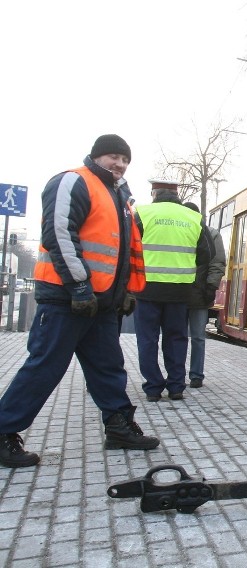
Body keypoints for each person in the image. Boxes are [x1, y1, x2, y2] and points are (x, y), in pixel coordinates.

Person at [0, 134, 159, 468]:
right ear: (97, 156)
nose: (120, 164)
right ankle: (3, 431)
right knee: (45, 367)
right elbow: (58, 234)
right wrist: (80, 287)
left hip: (100, 304)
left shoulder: (121, 197)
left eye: (125, 160)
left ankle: (119, 426)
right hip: (66, 299)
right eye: (114, 157)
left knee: (108, 366)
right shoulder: (73, 181)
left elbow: (122, 252)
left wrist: (125, 292)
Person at [133, 181, 209, 402]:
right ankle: (176, 386)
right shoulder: (193, 218)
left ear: (154, 193)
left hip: (146, 289)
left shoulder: (143, 214)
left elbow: (129, 247)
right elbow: (205, 254)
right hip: (180, 291)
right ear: (177, 194)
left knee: (147, 340)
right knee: (176, 338)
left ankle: (153, 388)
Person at [183, 201, 226, 388]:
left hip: (199, 293)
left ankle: (196, 375)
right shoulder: (180, 232)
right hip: (179, 293)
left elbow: (217, 263)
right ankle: (177, 374)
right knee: (181, 336)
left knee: (197, 336)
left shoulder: (212, 234)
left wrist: (211, 287)